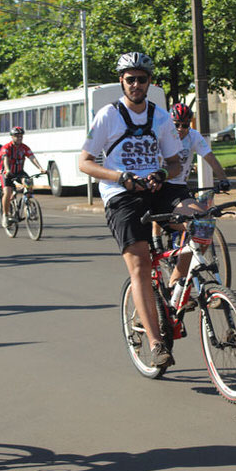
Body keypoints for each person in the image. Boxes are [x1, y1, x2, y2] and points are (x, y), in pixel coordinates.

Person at [78, 52, 187, 367]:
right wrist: (120, 177)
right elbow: (84, 162)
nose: (136, 84)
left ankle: (174, 286)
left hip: (158, 188)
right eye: (130, 79)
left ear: (149, 82)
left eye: (142, 79)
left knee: (201, 223)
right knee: (139, 266)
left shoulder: (162, 117)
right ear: (122, 82)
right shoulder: (107, 116)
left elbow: (175, 160)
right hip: (121, 196)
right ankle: (156, 344)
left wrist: (163, 174)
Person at [151, 103, 231, 292]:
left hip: (179, 188)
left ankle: (180, 279)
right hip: (160, 186)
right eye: (176, 124)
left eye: (185, 125)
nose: (180, 129)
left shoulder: (193, 136)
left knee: (204, 226)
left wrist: (223, 178)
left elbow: (209, 157)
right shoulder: (161, 135)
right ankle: (156, 239)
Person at [0, 126, 46, 225]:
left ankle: (28, 204)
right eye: (16, 136)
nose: (19, 138)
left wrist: (40, 168)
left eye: (21, 136)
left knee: (28, 182)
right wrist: (7, 169)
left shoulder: (24, 147)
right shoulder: (6, 147)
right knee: (7, 192)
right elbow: (5, 158)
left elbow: (32, 157)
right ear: (12, 137)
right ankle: (5, 215)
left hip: (19, 171)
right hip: (6, 173)